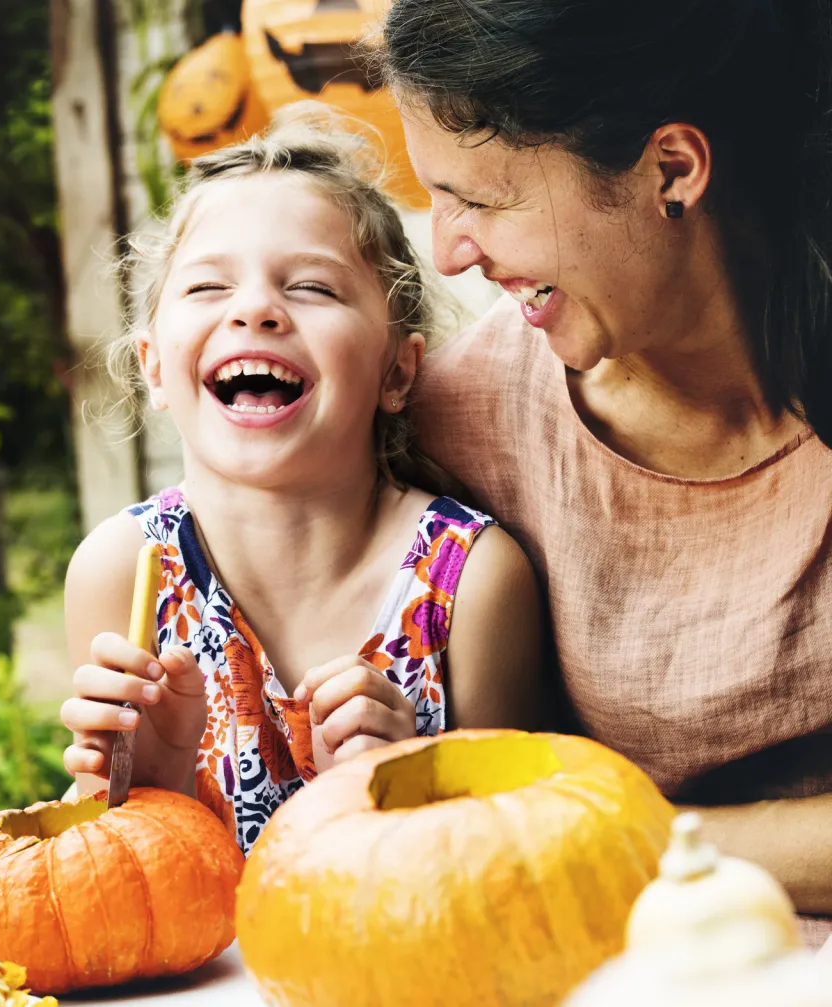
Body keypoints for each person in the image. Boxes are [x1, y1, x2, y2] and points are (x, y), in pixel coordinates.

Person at [381, 0, 832, 944]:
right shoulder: (465, 422)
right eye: (436, 198)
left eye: (481, 199)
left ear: (672, 169)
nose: (450, 252)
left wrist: (624, 841)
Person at [58, 107, 543, 854]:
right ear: (155, 367)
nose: (255, 309)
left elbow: (521, 859)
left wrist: (407, 793)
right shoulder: (124, 573)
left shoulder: (472, 583)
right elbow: (102, 880)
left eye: (313, 287)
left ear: (397, 369)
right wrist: (153, 791)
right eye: (207, 287)